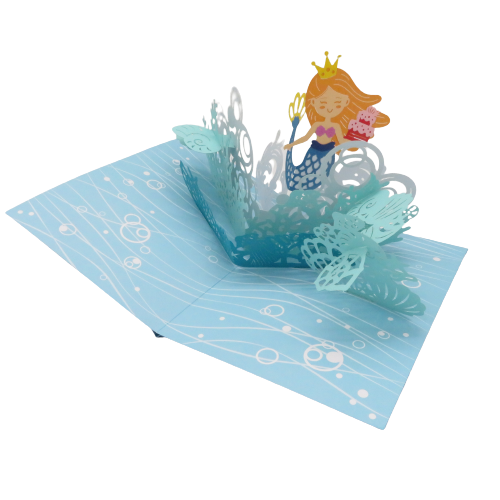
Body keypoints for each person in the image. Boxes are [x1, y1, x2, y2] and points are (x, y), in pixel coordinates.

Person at [284, 52, 390, 190]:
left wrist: (356, 142)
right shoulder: (317, 124)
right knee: (307, 172)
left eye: (337, 104)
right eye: (323, 104)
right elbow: (306, 137)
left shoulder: (335, 126)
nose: (329, 108)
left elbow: (341, 140)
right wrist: (292, 144)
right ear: (313, 103)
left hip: (328, 155)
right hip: (313, 152)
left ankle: (318, 192)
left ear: (346, 102)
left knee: (323, 177)